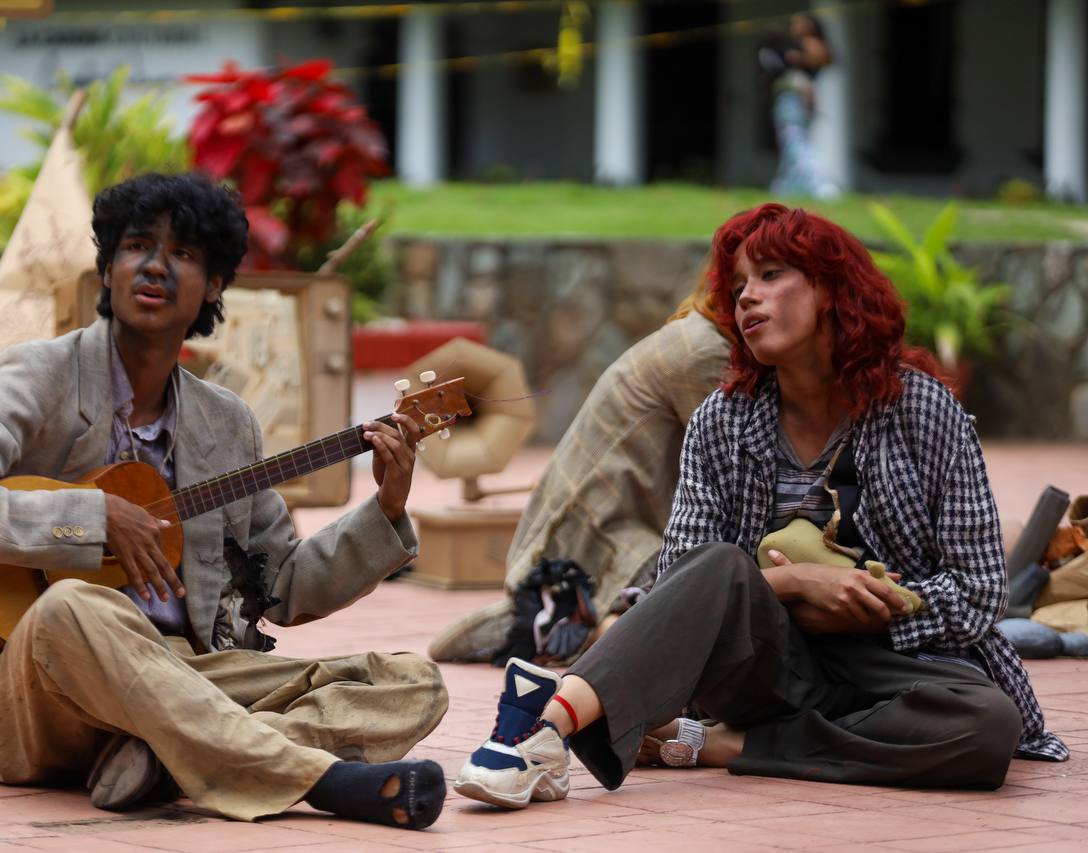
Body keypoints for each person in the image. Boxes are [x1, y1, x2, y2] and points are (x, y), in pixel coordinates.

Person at [0, 173, 450, 830]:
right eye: (136, 246)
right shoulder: (39, 376)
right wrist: (90, 520)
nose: (155, 265)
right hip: (34, 690)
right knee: (72, 605)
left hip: (184, 672)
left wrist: (386, 508)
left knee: (410, 682)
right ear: (108, 268)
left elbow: (285, 587)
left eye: (182, 253)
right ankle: (318, 778)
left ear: (213, 285)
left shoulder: (226, 424)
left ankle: (160, 754)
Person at [454, 203, 1067, 810]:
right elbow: (684, 581)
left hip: (901, 662)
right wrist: (797, 584)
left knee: (988, 726)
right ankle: (542, 726)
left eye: (771, 275)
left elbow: (981, 590)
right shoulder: (722, 421)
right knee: (718, 562)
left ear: (830, 289)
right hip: (770, 665)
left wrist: (871, 612)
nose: (747, 296)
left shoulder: (923, 411)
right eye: (740, 285)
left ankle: (724, 746)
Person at [428, 293, 729, 665]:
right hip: (609, 530)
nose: (752, 297)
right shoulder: (704, 352)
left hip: (595, 520)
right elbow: (729, 476)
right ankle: (579, 625)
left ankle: (556, 621)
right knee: (694, 592)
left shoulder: (692, 332)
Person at [762, 13, 837, 199]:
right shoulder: (805, 46)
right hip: (800, 100)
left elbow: (817, 62)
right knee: (791, 143)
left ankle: (820, 184)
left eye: (798, 23)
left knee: (795, 142)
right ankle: (783, 188)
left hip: (793, 100)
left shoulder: (807, 45)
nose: (793, 27)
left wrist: (796, 59)